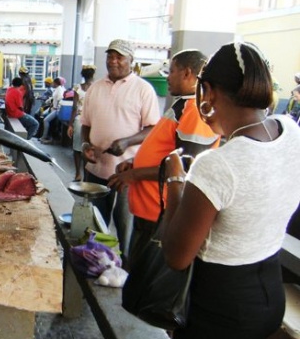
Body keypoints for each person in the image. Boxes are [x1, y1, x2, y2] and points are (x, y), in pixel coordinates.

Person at [161, 42, 300, 339]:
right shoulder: (291, 131)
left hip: (221, 306)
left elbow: (177, 255)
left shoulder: (217, 166)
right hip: (268, 290)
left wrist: (176, 178)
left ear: (208, 91)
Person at [107, 49, 219, 271]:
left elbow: (187, 166)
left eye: (172, 71)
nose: (167, 77)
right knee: (138, 275)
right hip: (148, 210)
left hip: (162, 213)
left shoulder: (196, 111)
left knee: (149, 283)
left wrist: (135, 174)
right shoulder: (182, 104)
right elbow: (165, 150)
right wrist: (135, 164)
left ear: (187, 73)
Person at [80, 39, 160, 253]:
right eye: (110, 56)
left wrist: (127, 141)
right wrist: (86, 144)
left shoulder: (144, 90)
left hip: (126, 173)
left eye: (119, 57)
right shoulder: (95, 88)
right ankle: (94, 262)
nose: (113, 61)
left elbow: (153, 128)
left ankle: (124, 268)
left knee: (125, 227)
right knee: (95, 225)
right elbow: (85, 125)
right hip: (96, 170)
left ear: (131, 61)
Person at [67, 65, 96, 181]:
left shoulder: (78, 88)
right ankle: (87, 175)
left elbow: (74, 108)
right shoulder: (96, 88)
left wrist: (70, 124)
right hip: (93, 121)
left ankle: (78, 174)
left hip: (79, 120)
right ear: (93, 74)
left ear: (82, 75)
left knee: (77, 149)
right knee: (89, 148)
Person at [40, 77, 65, 144]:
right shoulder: (56, 89)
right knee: (43, 116)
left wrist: (56, 107)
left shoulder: (59, 90)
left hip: (56, 110)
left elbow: (60, 99)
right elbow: (53, 98)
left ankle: (44, 137)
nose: (52, 84)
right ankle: (46, 136)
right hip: (53, 109)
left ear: (56, 83)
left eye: (53, 83)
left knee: (46, 120)